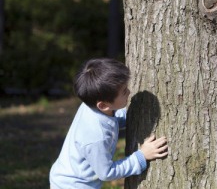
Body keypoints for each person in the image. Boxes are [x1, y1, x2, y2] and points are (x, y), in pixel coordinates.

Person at [50, 58, 168, 189]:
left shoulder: (91, 104)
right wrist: (141, 156)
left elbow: (110, 120)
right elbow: (106, 173)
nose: (129, 92)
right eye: (124, 91)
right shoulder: (96, 137)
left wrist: (130, 116)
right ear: (103, 105)